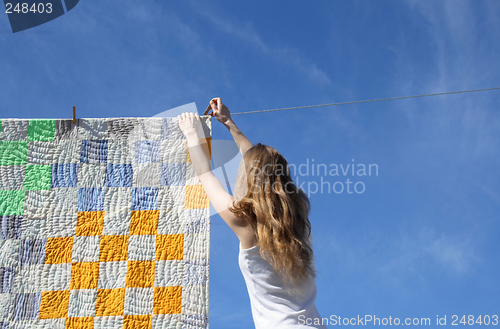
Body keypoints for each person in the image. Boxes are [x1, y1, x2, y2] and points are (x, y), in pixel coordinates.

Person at [178, 98, 326, 329]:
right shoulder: (298, 217)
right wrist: (228, 122)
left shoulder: (245, 222)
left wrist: (190, 133)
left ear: (249, 178)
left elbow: (205, 174)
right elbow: (264, 168)